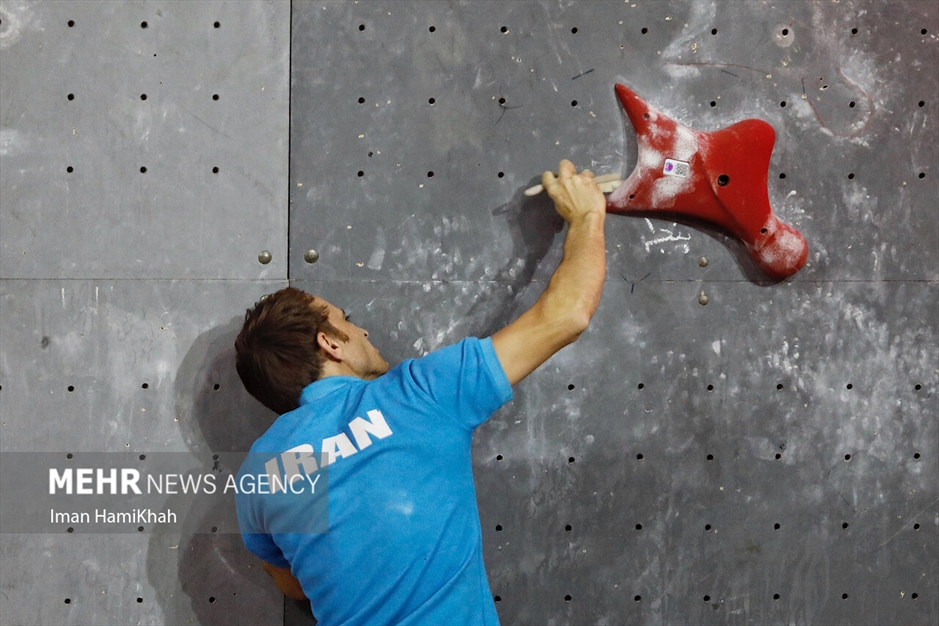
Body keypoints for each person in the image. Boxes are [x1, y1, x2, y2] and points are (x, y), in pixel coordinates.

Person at [233, 160, 607, 625]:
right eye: (347, 320)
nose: (362, 330)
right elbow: (566, 315)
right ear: (330, 343)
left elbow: (291, 583)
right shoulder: (414, 395)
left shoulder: (262, 471)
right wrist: (587, 216)